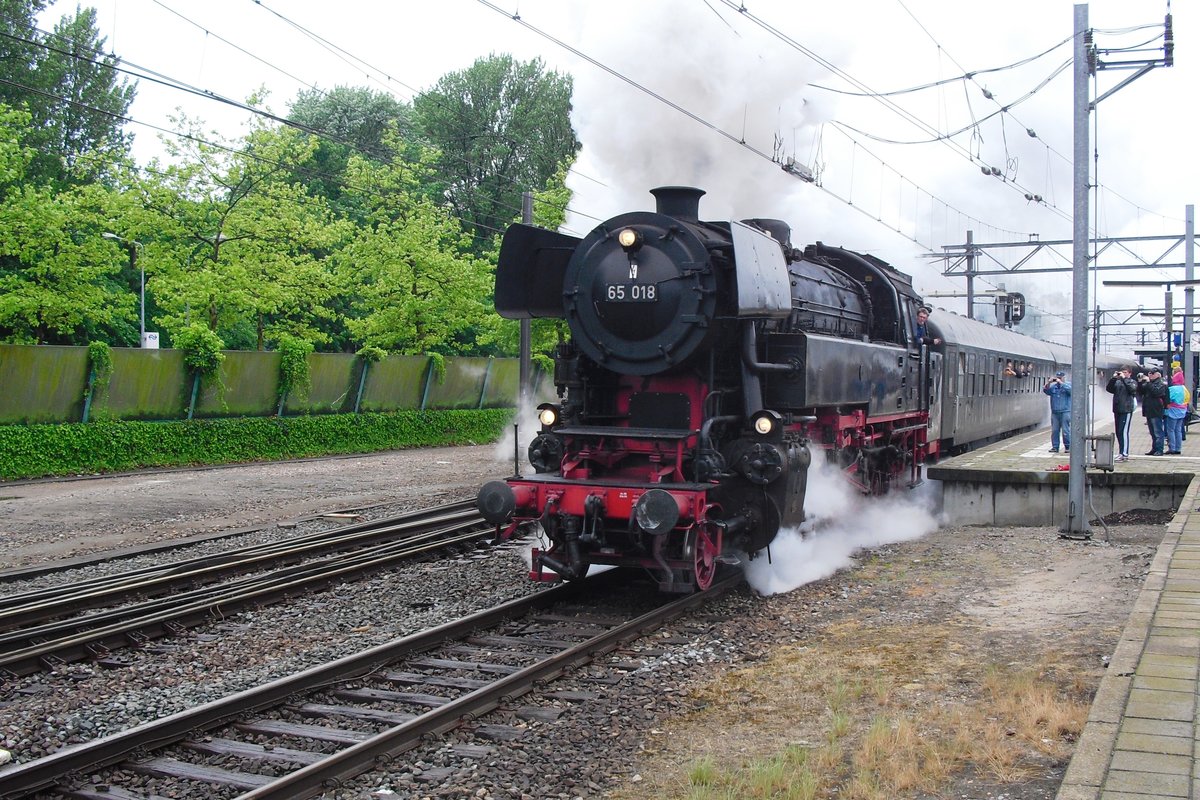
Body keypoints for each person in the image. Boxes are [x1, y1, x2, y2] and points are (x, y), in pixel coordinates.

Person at [1106, 366, 1138, 462]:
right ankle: (1121, 453)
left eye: (1125, 372)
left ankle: (1124, 453)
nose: (1123, 374)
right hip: (1117, 409)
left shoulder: (1132, 382)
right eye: (1122, 372)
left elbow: (1132, 389)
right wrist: (1113, 379)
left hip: (1126, 409)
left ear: (1130, 373)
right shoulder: (1118, 382)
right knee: (1118, 432)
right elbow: (1109, 389)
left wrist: (1124, 379)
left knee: (1123, 431)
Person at [1137, 367, 1169, 456]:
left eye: (1152, 373)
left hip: (1156, 410)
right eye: (1149, 373)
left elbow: (1156, 392)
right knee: (1152, 432)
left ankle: (1159, 449)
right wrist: (1140, 382)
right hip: (1149, 410)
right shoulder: (1149, 384)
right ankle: (1154, 448)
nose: (1150, 375)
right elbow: (1140, 392)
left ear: (1158, 375)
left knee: (1158, 431)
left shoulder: (1161, 384)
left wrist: (1148, 383)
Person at [1043, 370, 1071, 453]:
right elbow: (1046, 391)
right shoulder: (1053, 387)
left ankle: (1068, 447)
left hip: (1065, 411)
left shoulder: (1068, 385)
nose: (1058, 379)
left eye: (1060, 377)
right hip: (1055, 412)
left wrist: (1061, 383)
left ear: (1064, 378)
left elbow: (1071, 391)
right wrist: (1049, 383)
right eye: (1057, 377)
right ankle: (1055, 447)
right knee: (1055, 430)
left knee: (1065, 430)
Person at [1166, 370, 1188, 454]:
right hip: (1182, 411)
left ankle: (1172, 448)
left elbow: (1168, 399)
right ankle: (1178, 448)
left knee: (1171, 430)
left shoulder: (1172, 389)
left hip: (1173, 411)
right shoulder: (1184, 389)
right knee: (1178, 430)